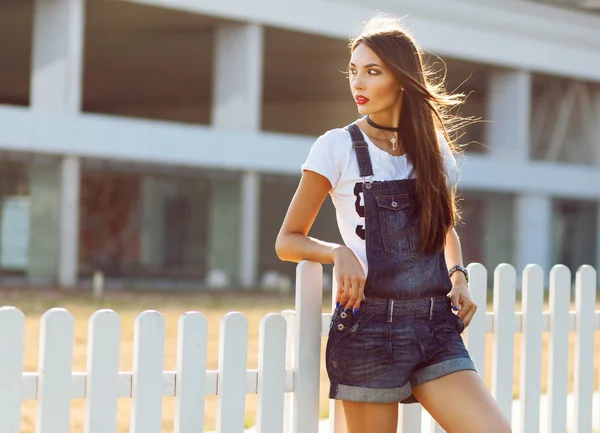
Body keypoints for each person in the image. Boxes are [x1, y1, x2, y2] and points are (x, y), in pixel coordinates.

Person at [275, 14, 511, 433]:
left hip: (434, 324)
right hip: (369, 329)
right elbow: (287, 241)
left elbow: (442, 228)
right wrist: (336, 251)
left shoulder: (431, 148)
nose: (358, 84)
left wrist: (457, 275)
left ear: (401, 79)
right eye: (353, 71)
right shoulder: (335, 147)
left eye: (372, 72)